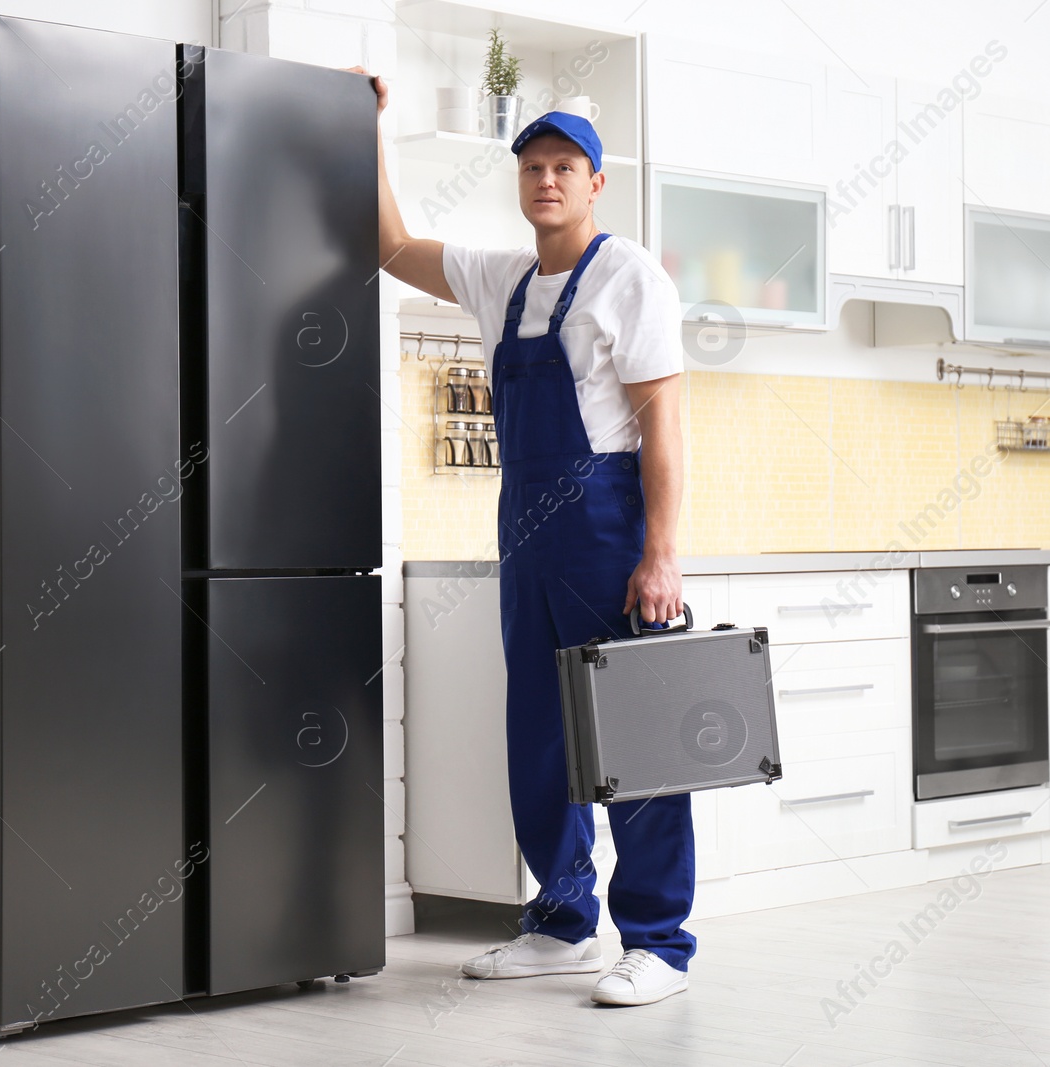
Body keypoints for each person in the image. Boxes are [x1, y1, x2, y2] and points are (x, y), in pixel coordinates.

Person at [359, 70, 693, 1007]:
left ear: (595, 184)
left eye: (565, 166)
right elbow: (390, 246)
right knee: (540, 732)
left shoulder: (631, 278)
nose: (547, 179)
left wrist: (659, 552)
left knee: (638, 731)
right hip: (527, 528)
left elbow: (663, 419)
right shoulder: (502, 277)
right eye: (534, 165)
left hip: (609, 526)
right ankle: (561, 923)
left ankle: (659, 939)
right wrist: (369, 124)